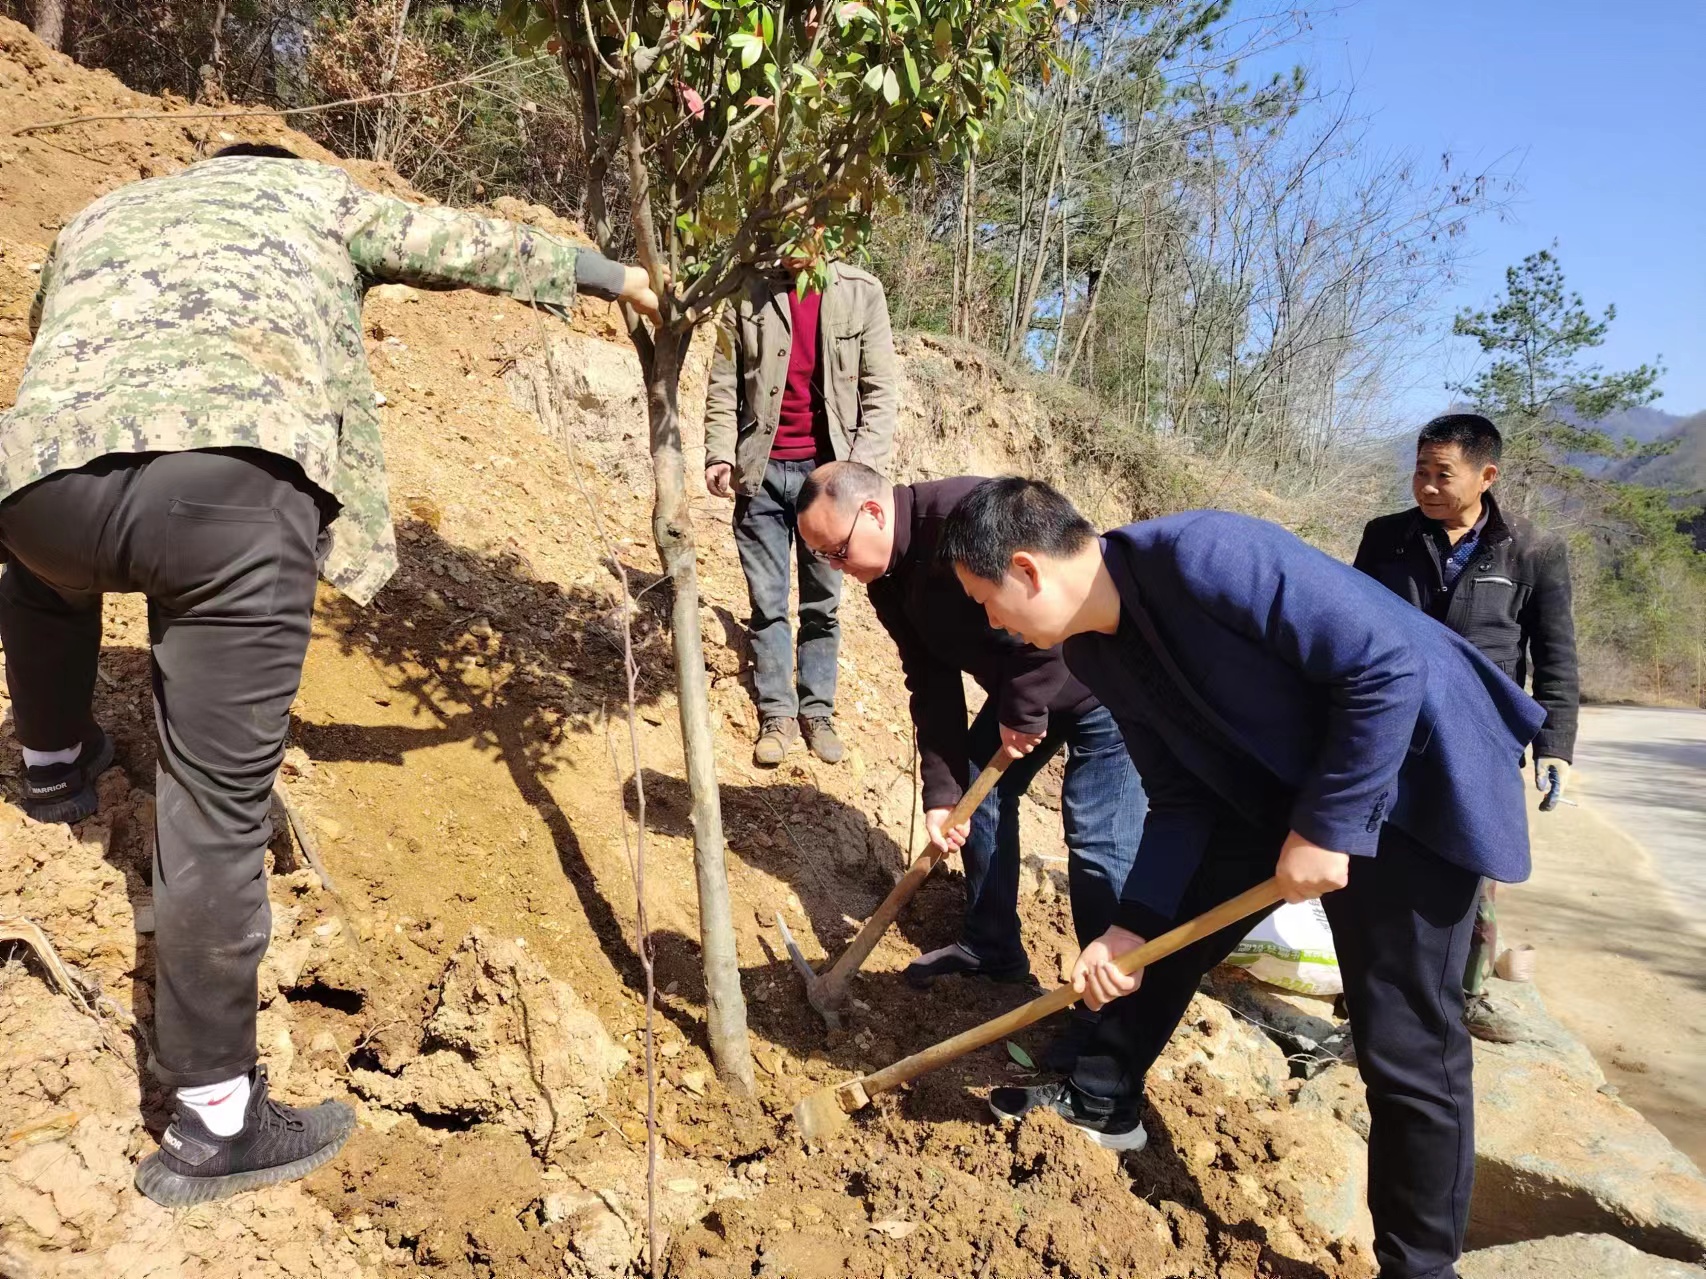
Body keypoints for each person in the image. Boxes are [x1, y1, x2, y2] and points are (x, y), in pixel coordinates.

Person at [0, 143, 659, 1206]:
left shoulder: (103, 211)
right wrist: (609, 273)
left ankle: (52, 763)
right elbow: (457, 242)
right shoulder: (313, 194)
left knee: (41, 576)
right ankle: (214, 1119)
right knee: (213, 807)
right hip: (230, 485)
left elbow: (55, 347)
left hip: (37, 484)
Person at [938, 479, 1544, 1279]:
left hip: (1412, 783)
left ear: (1027, 568)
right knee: (1155, 933)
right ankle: (1101, 1097)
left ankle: (1421, 1267)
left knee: (1404, 1043)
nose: (993, 623)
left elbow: (1386, 664)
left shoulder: (1207, 554)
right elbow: (1183, 794)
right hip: (1280, 791)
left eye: (988, 600)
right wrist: (1130, 926)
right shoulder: (1094, 651)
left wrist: (1329, 823)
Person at [794, 462, 1145, 1069]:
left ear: (873, 513)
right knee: (972, 805)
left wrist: (1025, 710)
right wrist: (940, 790)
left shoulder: (971, 516)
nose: (839, 569)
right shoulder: (889, 581)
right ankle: (992, 948)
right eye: (826, 559)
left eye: (838, 551)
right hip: (1023, 697)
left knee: (1097, 842)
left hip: (1100, 687)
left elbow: (1060, 611)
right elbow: (929, 681)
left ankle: (1106, 1021)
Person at [1354, 412, 1579, 1043]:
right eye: (1420, 471)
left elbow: (1556, 654)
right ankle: (1373, 991)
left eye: (1441, 474)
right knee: (1381, 853)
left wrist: (1554, 745)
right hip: (1394, 724)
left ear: (1486, 475)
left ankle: (1463, 993)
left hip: (1481, 737)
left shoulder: (1532, 550)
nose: (1425, 486)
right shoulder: (1386, 538)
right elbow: (1351, 627)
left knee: (1471, 862)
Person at [703, 256, 898, 767]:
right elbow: (723, 380)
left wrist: (859, 472)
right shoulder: (747, 289)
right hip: (760, 469)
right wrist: (720, 451)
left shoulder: (862, 292)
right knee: (767, 602)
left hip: (829, 480)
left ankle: (817, 710)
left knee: (822, 605)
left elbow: (880, 394)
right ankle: (777, 713)